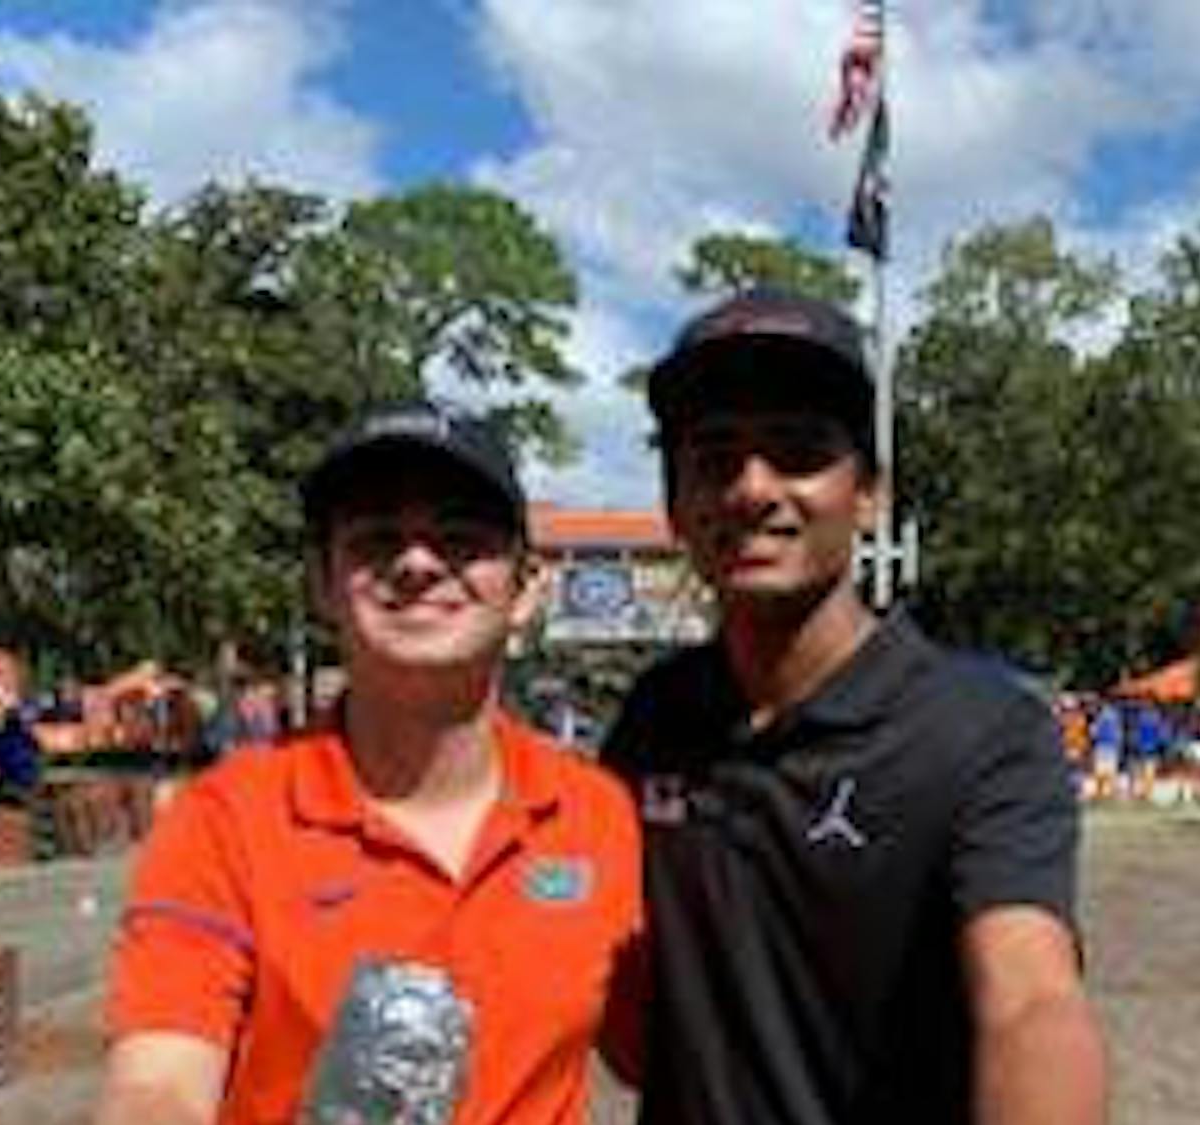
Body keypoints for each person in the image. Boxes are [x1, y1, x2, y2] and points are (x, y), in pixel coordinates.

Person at [601, 288, 1107, 1125]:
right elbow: (630, 1037)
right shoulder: (656, 714)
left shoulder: (982, 731)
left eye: (798, 451)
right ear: (675, 505)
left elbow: (1031, 1001)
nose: (753, 487)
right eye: (715, 456)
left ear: (870, 494)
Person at [96, 400, 642, 1125]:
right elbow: (158, 1083)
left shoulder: (600, 815)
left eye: (461, 537)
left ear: (526, 590)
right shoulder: (225, 817)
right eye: (376, 538)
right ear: (323, 584)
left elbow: (663, 1049)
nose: (417, 562)